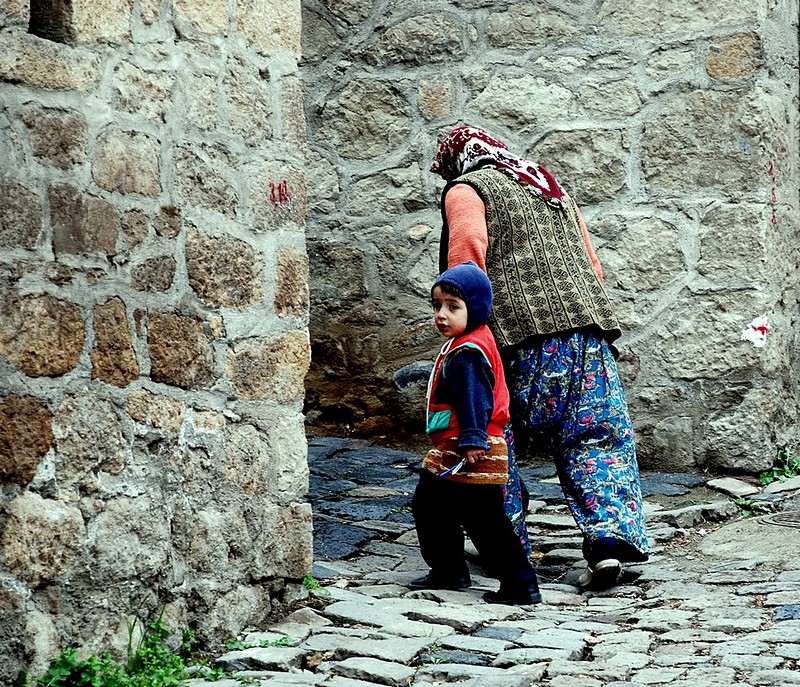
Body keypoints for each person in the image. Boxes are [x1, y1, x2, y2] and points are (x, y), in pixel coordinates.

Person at [429, 124, 649, 590]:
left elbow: (467, 262)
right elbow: (590, 264)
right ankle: (609, 542)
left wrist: (465, 327)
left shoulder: (467, 189)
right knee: (595, 439)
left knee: (494, 438)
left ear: (458, 162)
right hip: (586, 334)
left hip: (515, 338)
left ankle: (507, 547)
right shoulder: (548, 184)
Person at [410, 261, 542, 605]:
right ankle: (449, 570)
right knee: (431, 505)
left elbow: (476, 400)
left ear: (477, 308)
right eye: (437, 306)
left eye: (453, 307)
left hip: (469, 448)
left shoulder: (468, 354)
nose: (441, 315)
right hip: (456, 447)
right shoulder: (468, 341)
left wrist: (472, 439)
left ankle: (520, 583)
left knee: (484, 520)